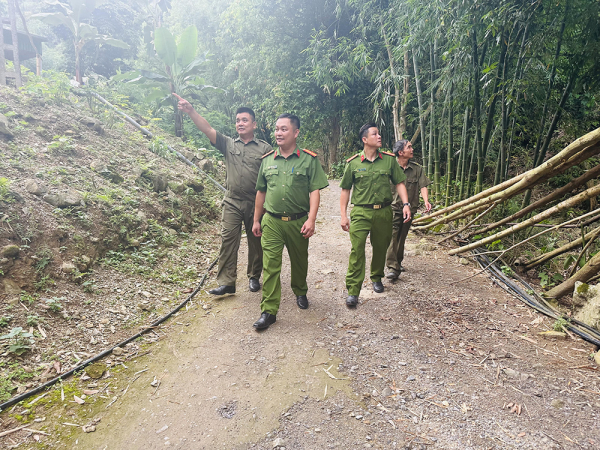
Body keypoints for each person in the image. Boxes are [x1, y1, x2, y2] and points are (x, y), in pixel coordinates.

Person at [174, 94, 271, 295]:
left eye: (245, 120)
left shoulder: (265, 149)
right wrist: (191, 111)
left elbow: (271, 178)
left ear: (254, 124)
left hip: (256, 202)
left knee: (256, 241)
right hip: (232, 201)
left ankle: (254, 275)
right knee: (228, 238)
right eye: (237, 120)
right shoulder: (228, 144)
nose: (240, 123)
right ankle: (227, 281)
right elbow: (207, 128)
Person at [251, 114, 329, 330]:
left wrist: (312, 219)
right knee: (271, 266)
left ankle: (300, 290)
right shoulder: (267, 161)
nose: (278, 133)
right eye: (276, 129)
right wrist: (257, 220)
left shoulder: (309, 160)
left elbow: (314, 191)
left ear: (296, 133)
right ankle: (269, 311)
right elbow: (261, 192)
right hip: (272, 222)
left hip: (298, 221)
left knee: (299, 260)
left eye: (284, 129)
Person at [340, 123, 411, 308]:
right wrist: (343, 215)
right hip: (361, 212)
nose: (379, 136)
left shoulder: (388, 160)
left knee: (381, 247)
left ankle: (377, 276)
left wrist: (405, 204)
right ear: (365, 139)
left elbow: (400, 183)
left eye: (379, 133)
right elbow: (345, 190)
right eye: (375, 134)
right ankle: (353, 291)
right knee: (357, 250)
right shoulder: (354, 163)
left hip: (384, 211)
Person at [385, 140, 432, 279]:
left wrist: (426, 200)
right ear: (401, 152)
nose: (412, 149)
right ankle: (392, 267)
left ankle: (397, 263)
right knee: (392, 237)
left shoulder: (417, 168)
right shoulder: (390, 167)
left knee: (401, 237)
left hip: (410, 209)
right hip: (392, 208)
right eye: (409, 147)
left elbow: (423, 186)